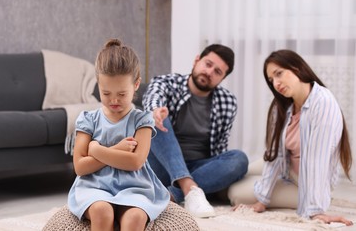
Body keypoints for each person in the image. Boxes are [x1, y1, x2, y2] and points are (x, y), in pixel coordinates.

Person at [229, 49, 353, 226]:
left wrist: (315, 210)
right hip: (285, 165)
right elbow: (275, 154)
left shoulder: (323, 103)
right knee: (237, 172)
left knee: (235, 192)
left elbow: (316, 162)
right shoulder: (284, 106)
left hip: (301, 180)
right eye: (272, 80)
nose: (276, 83)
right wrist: (262, 201)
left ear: (297, 68)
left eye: (279, 74)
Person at [68, 39, 170, 231]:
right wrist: (117, 150)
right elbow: (80, 167)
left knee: (135, 217)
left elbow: (135, 162)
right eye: (106, 93)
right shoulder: (88, 119)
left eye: (122, 94)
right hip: (94, 187)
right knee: (101, 211)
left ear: (136, 84)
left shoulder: (142, 120)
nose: (114, 100)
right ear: (98, 84)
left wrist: (96, 150)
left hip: (135, 188)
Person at [142, 44, 249, 218]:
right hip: (162, 164)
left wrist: (220, 174)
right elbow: (153, 98)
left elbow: (220, 147)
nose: (209, 72)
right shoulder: (167, 82)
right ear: (197, 60)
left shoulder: (228, 102)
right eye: (208, 64)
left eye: (217, 72)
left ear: (221, 79)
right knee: (153, 118)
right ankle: (189, 189)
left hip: (198, 166)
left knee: (239, 159)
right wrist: (155, 111)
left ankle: (174, 192)